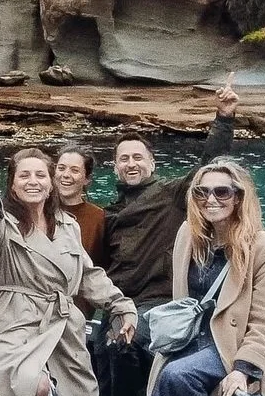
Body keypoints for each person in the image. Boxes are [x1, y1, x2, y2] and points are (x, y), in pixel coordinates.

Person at [0, 149, 139, 396]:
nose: (33, 181)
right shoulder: (5, 223)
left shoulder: (68, 225)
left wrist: (122, 306)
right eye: (24, 175)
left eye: (40, 175)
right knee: (32, 384)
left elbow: (86, 274)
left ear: (51, 184)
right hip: (15, 323)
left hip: (63, 323)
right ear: (12, 185)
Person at [144, 159, 265, 396]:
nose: (210, 199)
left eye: (222, 192)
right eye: (201, 192)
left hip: (231, 344)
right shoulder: (189, 235)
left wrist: (243, 370)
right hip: (189, 335)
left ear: (239, 197)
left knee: (178, 375)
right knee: (126, 348)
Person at [98, 79, 239, 307]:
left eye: (138, 158)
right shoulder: (108, 214)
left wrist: (223, 119)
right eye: (124, 159)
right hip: (119, 303)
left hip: (159, 302)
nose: (131, 164)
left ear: (152, 164)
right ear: (115, 167)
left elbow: (207, 166)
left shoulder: (172, 194)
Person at [53, 144, 106, 260]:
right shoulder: (39, 210)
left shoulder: (99, 218)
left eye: (75, 170)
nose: (66, 175)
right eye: (61, 168)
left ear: (87, 179)